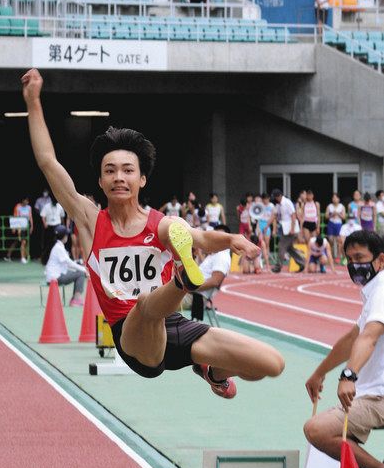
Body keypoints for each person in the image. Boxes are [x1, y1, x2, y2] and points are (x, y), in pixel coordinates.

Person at [22, 67, 285, 399]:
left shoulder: (160, 225)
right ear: (101, 182)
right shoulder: (90, 221)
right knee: (146, 304)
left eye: (128, 170)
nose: (119, 177)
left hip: (174, 327)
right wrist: (33, 102)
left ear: (141, 179)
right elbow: (47, 161)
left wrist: (232, 239)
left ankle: (212, 371)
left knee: (270, 364)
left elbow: (202, 238)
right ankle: (182, 280)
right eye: (110, 171)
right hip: (133, 339)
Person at [304, 231, 384, 468]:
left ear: (380, 260)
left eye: (360, 258)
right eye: (349, 259)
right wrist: (319, 373)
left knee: (317, 430)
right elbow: (353, 338)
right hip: (372, 392)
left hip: (378, 395)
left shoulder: (382, 289)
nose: (354, 265)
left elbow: (370, 336)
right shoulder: (373, 291)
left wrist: (349, 375)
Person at [190, 224, 232, 322]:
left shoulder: (222, 256)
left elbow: (215, 282)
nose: (217, 239)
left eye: (221, 237)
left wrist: (189, 287)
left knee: (162, 301)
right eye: (216, 236)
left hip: (195, 295)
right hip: (190, 291)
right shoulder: (215, 253)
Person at [45, 224, 88, 306]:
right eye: (66, 235)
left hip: (56, 275)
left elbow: (68, 264)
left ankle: (75, 298)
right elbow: (69, 263)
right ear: (64, 237)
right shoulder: (58, 248)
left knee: (78, 272)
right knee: (81, 274)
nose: (67, 237)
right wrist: (83, 269)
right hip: (55, 277)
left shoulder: (58, 246)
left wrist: (80, 267)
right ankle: (76, 299)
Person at [270, 188, 305, 273]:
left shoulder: (287, 202)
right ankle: (303, 262)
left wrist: (292, 229)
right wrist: (267, 226)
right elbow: (274, 216)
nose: (274, 199)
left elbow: (293, 215)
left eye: (275, 197)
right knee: (289, 248)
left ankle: (278, 266)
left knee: (281, 246)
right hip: (285, 229)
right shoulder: (279, 205)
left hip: (290, 229)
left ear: (278, 196)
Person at [4, 196, 33, 263]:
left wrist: (32, 226)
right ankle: (22, 258)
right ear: (23, 200)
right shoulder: (18, 206)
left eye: (28, 201)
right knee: (23, 242)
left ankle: (8, 256)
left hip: (27, 226)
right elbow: (15, 217)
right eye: (26, 201)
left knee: (18, 242)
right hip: (19, 227)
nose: (27, 202)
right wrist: (14, 228)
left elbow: (30, 217)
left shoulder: (29, 207)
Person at [40, 194, 65, 265]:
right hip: (49, 227)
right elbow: (43, 216)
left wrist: (62, 225)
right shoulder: (47, 206)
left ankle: (58, 260)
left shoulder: (60, 206)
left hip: (57, 226)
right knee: (47, 244)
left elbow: (62, 217)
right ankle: (45, 260)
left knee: (58, 243)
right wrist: (44, 223)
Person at [325, 192, 346, 262]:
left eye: (336, 198)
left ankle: (338, 257)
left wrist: (338, 214)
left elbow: (344, 217)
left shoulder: (341, 206)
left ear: (338, 199)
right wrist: (332, 214)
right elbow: (326, 216)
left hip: (338, 224)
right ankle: (330, 256)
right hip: (331, 223)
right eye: (333, 198)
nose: (334, 199)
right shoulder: (329, 206)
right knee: (330, 240)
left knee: (338, 241)